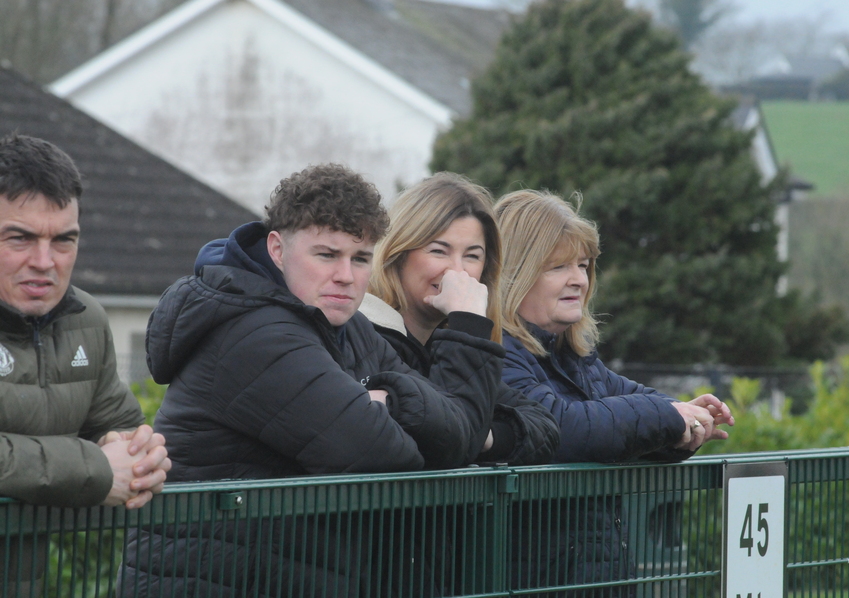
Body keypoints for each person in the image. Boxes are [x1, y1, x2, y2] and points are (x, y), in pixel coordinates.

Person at [121, 164, 497, 596]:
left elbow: (459, 435)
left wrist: (390, 401)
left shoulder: (349, 326)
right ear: (277, 249)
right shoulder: (253, 333)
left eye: (360, 258)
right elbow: (379, 454)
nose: (346, 275)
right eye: (326, 255)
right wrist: (405, 409)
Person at [495, 189, 735, 597]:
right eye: (558, 266)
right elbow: (563, 428)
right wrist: (670, 417)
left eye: (583, 265)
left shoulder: (574, 357)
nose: (579, 279)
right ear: (515, 274)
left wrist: (687, 421)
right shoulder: (496, 352)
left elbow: (633, 408)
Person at [0, 133, 170, 592]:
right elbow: (99, 467)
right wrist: (96, 470)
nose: (44, 261)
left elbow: (117, 427)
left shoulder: (85, 319)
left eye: (63, 240)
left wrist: (141, 457)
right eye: (20, 238)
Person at [363, 172, 559, 466]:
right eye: (439, 251)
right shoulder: (365, 335)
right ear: (397, 254)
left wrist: (482, 435)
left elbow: (546, 429)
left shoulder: (453, 344)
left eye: (472, 256)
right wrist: (467, 322)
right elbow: (444, 442)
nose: (457, 271)